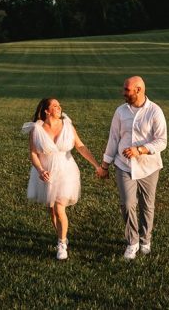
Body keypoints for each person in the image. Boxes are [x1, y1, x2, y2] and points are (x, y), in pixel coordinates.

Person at [23, 98, 104, 260]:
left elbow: (80, 146)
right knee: (51, 209)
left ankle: (61, 244)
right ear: (46, 111)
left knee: (59, 207)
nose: (59, 108)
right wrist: (40, 170)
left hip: (66, 170)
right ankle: (62, 235)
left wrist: (97, 165)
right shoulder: (36, 129)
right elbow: (33, 153)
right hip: (46, 172)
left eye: (59, 105)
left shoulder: (67, 125)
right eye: (55, 106)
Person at [98, 75, 168, 260]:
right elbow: (113, 138)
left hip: (148, 167)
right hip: (123, 165)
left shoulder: (155, 111)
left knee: (147, 205)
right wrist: (105, 165)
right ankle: (133, 242)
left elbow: (162, 141)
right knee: (128, 204)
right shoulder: (120, 111)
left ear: (138, 90)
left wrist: (141, 150)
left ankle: (146, 240)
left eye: (126, 90)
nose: (123, 93)